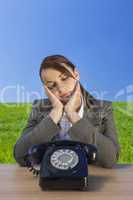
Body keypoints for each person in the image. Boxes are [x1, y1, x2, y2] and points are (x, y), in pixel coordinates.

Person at [13, 54, 120, 168]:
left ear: (76, 74)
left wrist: (74, 116)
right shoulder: (38, 107)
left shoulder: (104, 108)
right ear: (46, 89)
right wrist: (54, 115)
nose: (61, 89)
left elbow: (111, 159)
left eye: (65, 78)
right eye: (51, 86)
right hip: (52, 178)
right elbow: (20, 155)